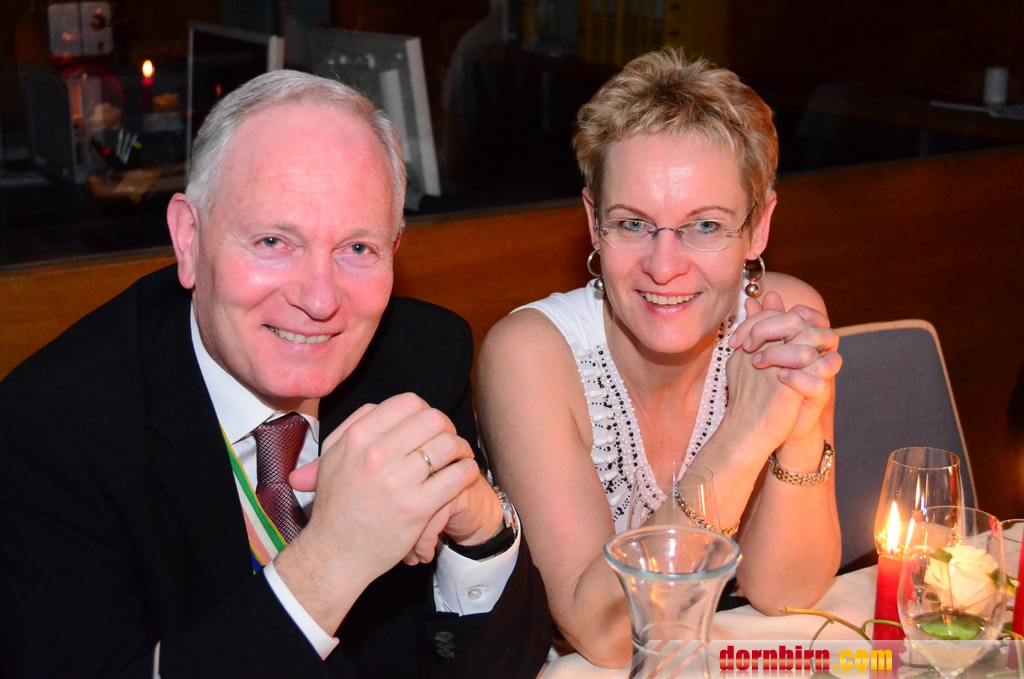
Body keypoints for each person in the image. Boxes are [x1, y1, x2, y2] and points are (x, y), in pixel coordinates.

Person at [0, 71, 551, 678]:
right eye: (273, 241)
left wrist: (482, 536)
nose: (320, 300)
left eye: (357, 248)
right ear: (189, 239)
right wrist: (331, 561)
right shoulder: (54, 432)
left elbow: (501, 667)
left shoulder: (420, 358)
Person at [476, 49, 842, 668]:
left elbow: (785, 594)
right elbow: (606, 636)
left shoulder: (784, 319)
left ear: (758, 227)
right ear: (594, 222)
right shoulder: (529, 356)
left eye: (705, 226)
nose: (664, 266)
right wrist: (744, 437)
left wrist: (801, 437)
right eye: (633, 224)